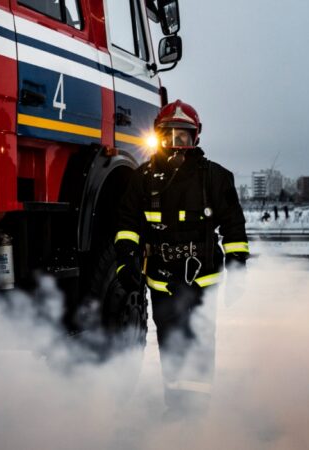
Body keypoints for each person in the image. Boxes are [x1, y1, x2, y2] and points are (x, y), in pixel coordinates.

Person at [114, 99, 249, 420]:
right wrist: (125, 262)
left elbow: (234, 225)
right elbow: (127, 224)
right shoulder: (142, 178)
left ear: (196, 138)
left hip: (203, 278)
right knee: (170, 340)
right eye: (169, 135)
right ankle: (176, 405)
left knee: (200, 340)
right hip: (161, 277)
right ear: (157, 136)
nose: (176, 143)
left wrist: (238, 266)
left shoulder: (215, 177)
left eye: (183, 136)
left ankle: (197, 411)